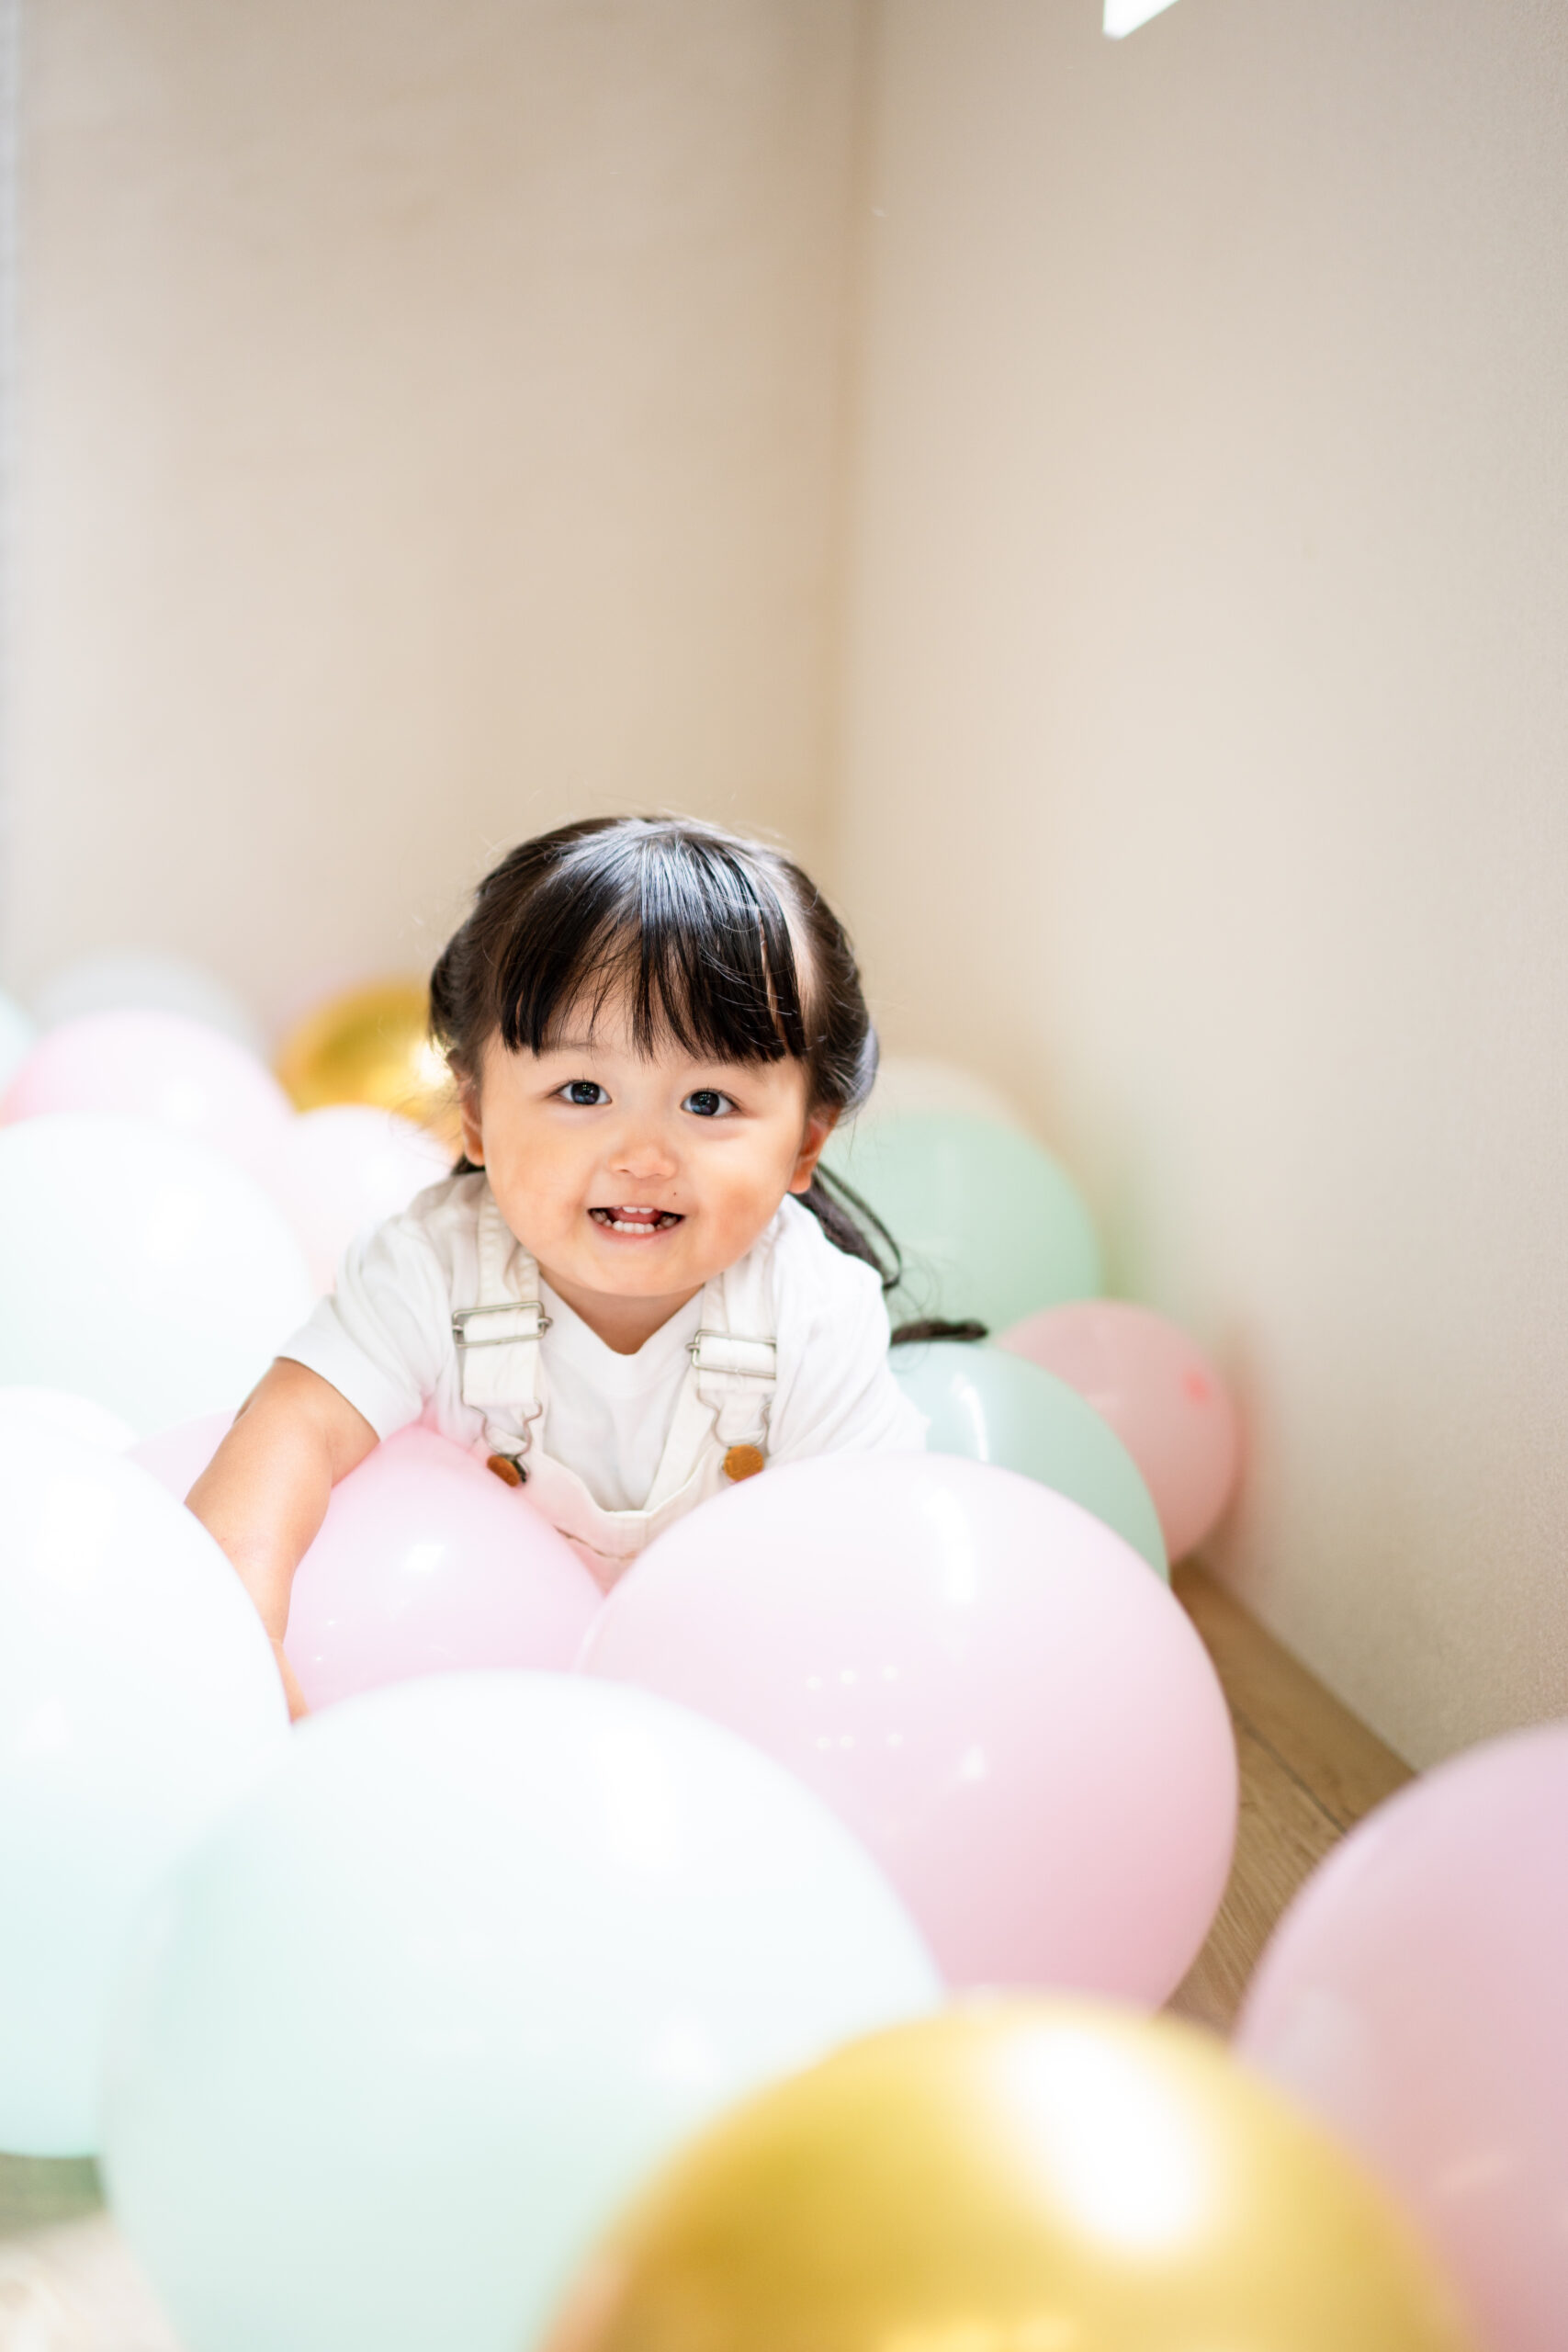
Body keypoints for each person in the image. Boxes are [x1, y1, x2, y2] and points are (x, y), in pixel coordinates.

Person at [189, 814, 940, 1718]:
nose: (642, 1153)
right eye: (582, 1092)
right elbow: (290, 1434)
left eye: (709, 1101)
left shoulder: (813, 1311)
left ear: (805, 1145)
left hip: (719, 1709)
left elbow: (869, 1569)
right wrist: (235, 1647)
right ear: (475, 1113)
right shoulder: (435, 1267)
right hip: (465, 1693)